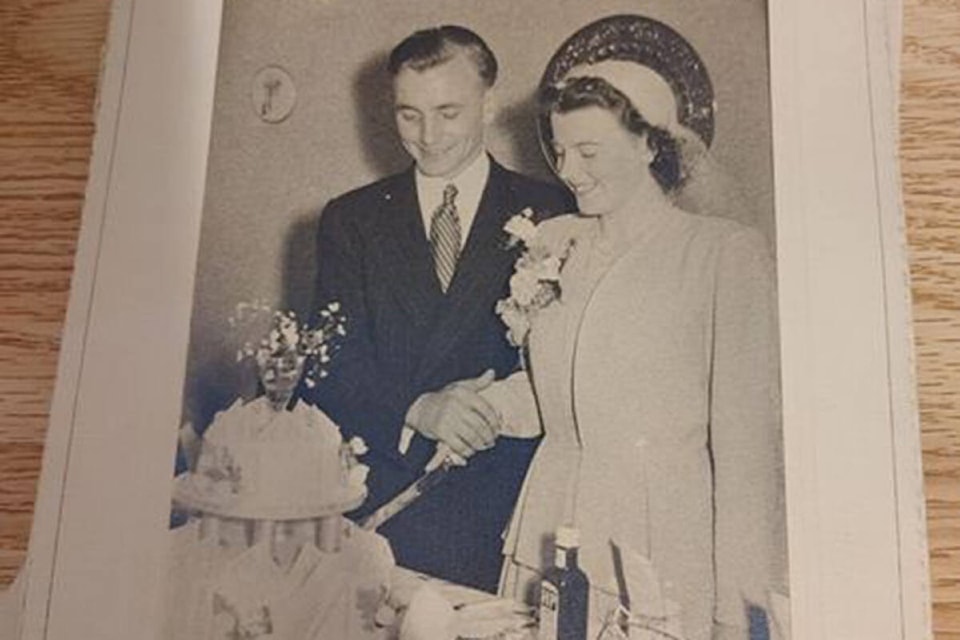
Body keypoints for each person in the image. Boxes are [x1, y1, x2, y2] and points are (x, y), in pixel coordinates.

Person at [481, 16, 789, 640]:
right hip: (552, 519)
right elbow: (558, 395)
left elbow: (745, 456)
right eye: (561, 150)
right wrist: (480, 405)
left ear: (651, 145)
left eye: (589, 152)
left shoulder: (720, 254)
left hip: (657, 539)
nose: (569, 170)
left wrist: (738, 612)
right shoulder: (555, 243)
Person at [311, 25, 574, 592]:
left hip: (506, 512)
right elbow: (327, 369)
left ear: (490, 102)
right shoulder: (351, 220)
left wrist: (495, 407)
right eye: (409, 115)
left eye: (449, 112)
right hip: (384, 508)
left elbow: (577, 369)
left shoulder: (556, 213)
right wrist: (418, 407)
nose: (429, 136)